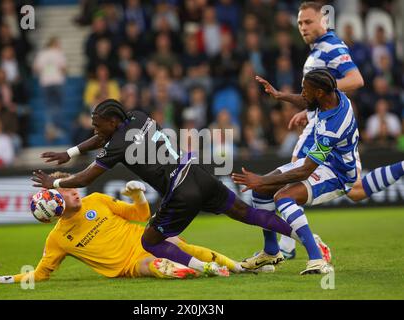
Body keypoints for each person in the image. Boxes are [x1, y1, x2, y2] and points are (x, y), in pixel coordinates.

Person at [32, 99, 300, 277]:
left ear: (112, 122)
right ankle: (307, 239)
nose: (94, 127)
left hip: (179, 188)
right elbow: (101, 137)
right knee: (245, 212)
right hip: (195, 171)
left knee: (150, 241)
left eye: (96, 123)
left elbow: (84, 179)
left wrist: (54, 183)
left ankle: (206, 268)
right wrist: (72, 151)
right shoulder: (137, 116)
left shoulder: (117, 145)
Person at [255, 1, 404, 260]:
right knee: (354, 189)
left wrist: (324, 97)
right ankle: (289, 245)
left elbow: (356, 79)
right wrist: (310, 106)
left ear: (323, 20)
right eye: (300, 23)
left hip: (329, 124)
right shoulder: (318, 49)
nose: (303, 27)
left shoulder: (330, 46)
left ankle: (290, 246)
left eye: (308, 21)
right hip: (323, 118)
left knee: (293, 177)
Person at [0, 173, 249, 286]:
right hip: (131, 264)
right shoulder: (57, 239)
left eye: (70, 185)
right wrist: (2, 280)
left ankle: (237, 267)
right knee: (158, 265)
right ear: (54, 204)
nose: (74, 190)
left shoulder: (97, 200)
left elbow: (141, 215)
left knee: (177, 242)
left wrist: (136, 195)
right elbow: (40, 275)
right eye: (66, 190)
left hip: (144, 240)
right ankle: (205, 269)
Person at [233, 69, 369, 274]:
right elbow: (309, 101)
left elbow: (305, 171)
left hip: (338, 174)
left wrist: (261, 179)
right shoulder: (335, 96)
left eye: (306, 89)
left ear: (320, 93)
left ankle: (317, 259)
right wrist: (280, 95)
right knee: (261, 191)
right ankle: (271, 252)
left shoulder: (333, 128)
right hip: (322, 162)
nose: (302, 93)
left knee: (283, 197)